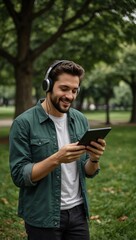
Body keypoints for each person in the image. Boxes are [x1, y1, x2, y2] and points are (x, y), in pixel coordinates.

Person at [9, 60, 106, 240]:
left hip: (78, 213)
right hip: (42, 215)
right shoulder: (23, 123)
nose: (69, 95)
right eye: (64, 88)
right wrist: (57, 159)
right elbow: (19, 175)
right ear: (48, 85)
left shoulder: (80, 120)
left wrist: (94, 159)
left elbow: (89, 172)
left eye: (74, 90)